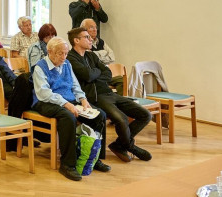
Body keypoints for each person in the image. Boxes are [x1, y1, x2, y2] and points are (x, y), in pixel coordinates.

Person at [67, 27, 152, 163]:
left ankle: (120, 145)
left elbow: (108, 73)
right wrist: (96, 73)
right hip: (95, 97)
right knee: (121, 118)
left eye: (90, 37)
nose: (91, 39)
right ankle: (129, 146)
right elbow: (87, 76)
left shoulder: (92, 55)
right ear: (76, 40)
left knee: (146, 115)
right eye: (87, 37)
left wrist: (95, 74)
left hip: (109, 93)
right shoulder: (71, 58)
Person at [32, 37, 110, 181]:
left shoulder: (66, 64)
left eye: (66, 53)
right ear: (50, 52)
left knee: (100, 115)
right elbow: (44, 93)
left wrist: (83, 100)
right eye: (60, 53)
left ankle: (93, 157)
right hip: (46, 102)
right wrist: (66, 104)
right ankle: (67, 165)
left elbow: (75, 85)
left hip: (68, 100)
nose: (64, 57)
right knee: (68, 117)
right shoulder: (40, 67)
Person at [81, 19, 122, 93]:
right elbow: (90, 57)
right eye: (91, 27)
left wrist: (95, 54)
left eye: (95, 27)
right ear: (84, 30)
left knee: (121, 80)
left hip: (105, 73)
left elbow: (112, 57)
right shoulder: (83, 43)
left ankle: (121, 102)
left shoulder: (101, 42)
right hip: (94, 76)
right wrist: (104, 53)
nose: (95, 30)